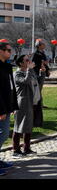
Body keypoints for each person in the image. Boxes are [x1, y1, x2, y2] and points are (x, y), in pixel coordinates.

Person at [12, 55, 46, 157]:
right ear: (21, 63)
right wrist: (30, 70)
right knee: (19, 126)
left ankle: (27, 148)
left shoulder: (30, 72)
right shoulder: (17, 73)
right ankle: (16, 150)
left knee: (28, 126)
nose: (29, 61)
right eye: (27, 60)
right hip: (23, 103)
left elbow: (39, 83)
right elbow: (25, 82)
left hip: (33, 102)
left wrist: (42, 72)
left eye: (29, 60)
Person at [0, 42, 18, 176]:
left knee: (4, 133)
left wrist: (12, 106)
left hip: (7, 105)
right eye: (7, 50)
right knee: (3, 134)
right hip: (1, 107)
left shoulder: (6, 66)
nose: (10, 52)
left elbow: (10, 87)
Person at [31, 40, 49, 110]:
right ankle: (38, 104)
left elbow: (45, 63)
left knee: (39, 89)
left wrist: (47, 69)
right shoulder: (35, 54)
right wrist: (41, 64)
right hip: (37, 73)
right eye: (43, 44)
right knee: (38, 89)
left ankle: (40, 104)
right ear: (39, 45)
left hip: (42, 72)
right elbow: (33, 64)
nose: (44, 45)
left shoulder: (43, 53)